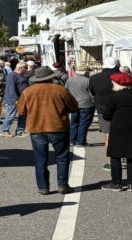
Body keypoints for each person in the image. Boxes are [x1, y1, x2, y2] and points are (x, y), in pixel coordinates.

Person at [18, 66, 79, 195]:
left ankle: (43, 187)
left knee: (40, 159)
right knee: (62, 157)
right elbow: (74, 107)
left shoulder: (28, 92)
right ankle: (62, 185)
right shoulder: (60, 90)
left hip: (37, 128)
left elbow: (21, 111)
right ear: (51, 77)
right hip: (58, 127)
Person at [101, 73, 132, 191]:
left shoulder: (113, 97)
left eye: (113, 82)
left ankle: (116, 183)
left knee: (115, 156)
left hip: (118, 130)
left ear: (119, 84)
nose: (112, 83)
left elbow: (107, 115)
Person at [89, 57, 120, 171]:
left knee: (108, 135)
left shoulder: (94, 78)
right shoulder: (121, 76)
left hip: (103, 109)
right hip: (121, 108)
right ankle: (125, 159)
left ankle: (111, 162)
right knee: (123, 134)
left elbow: (92, 92)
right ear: (116, 65)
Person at [66, 67, 95, 146]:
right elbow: (91, 94)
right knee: (84, 123)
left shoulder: (70, 80)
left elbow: (66, 91)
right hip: (86, 104)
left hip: (74, 104)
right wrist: (94, 102)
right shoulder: (87, 80)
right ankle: (80, 141)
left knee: (74, 123)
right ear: (85, 72)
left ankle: (72, 140)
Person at [2, 61, 29, 137]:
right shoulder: (12, 75)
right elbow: (11, 88)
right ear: (20, 68)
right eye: (25, 68)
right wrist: (15, 99)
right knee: (11, 115)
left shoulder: (22, 75)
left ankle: (20, 131)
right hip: (14, 99)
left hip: (22, 98)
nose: (26, 70)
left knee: (23, 114)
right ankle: (6, 130)